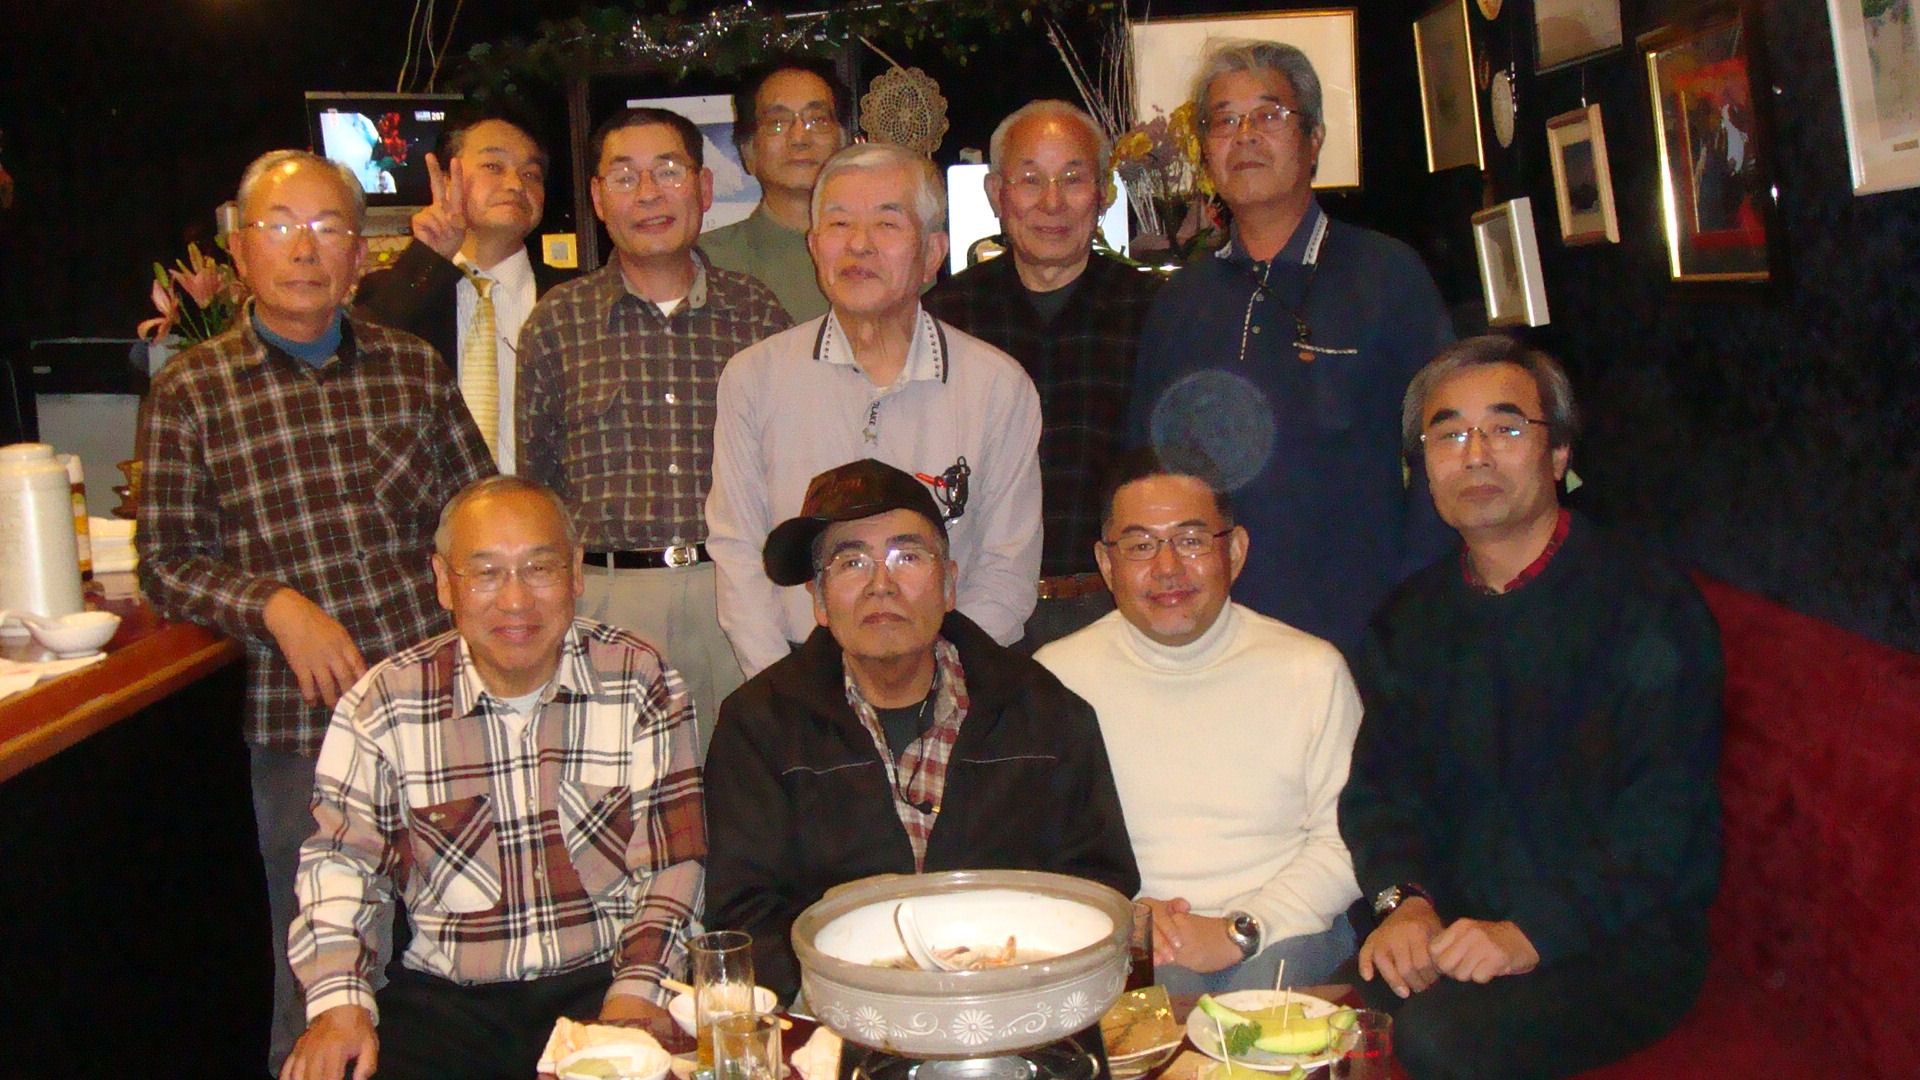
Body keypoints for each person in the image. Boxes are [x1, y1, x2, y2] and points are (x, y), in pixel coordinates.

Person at [136, 149, 495, 1073]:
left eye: (330, 228)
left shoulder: (411, 368)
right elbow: (166, 563)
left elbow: (479, 516)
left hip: (438, 709)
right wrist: (275, 605)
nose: (305, 249)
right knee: (323, 970)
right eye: (281, 226)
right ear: (241, 250)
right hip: (306, 728)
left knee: (461, 950)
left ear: (361, 255)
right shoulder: (192, 390)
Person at [1339, 336, 1723, 1079]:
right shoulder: (1407, 620)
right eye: (1449, 434)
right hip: (1457, 927)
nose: (1476, 455)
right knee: (1334, 1007)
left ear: (1558, 454)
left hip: (1617, 939)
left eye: (1506, 428)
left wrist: (1532, 932)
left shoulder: (1647, 605)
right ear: (1423, 466)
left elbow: (1663, 821)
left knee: (1439, 1038)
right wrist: (1405, 902)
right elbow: (1381, 793)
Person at [281, 476, 703, 1080]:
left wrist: (636, 996)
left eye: (540, 568)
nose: (515, 600)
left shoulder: (639, 677)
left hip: (605, 982)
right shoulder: (385, 701)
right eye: (485, 573)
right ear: (443, 581)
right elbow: (340, 865)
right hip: (448, 1003)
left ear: (576, 573)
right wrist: (340, 1004)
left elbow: (673, 864)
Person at [703, 458, 1138, 1001]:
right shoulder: (759, 725)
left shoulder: (1043, 712)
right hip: (835, 1015)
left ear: (949, 584)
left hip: (1013, 1004)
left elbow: (1101, 886)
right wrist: (849, 948)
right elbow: (741, 916)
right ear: (818, 599)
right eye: (851, 562)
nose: (881, 585)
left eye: (907, 557)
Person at [1129, 40, 1454, 658]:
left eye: (1269, 115)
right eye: (1224, 120)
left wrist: (1415, 603)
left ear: (1314, 140)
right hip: (1205, 630)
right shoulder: (1181, 299)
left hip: (1358, 627)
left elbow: (1444, 447)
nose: (1245, 135)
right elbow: (1146, 470)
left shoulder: (1386, 276)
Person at [708, 142, 1043, 678]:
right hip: (796, 673)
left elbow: (1007, 570)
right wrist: (782, 691)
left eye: (887, 224)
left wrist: (936, 684)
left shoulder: (996, 386)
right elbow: (739, 554)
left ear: (933, 252)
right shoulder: (754, 378)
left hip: (951, 675)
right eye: (839, 224)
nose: (858, 245)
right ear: (814, 246)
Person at [518, 107, 791, 754]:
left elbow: (788, 470)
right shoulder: (558, 323)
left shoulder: (757, 314)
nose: (647, 194)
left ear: (703, 187)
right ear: (597, 199)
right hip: (607, 601)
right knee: (613, 793)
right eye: (624, 177)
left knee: (743, 786)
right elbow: (539, 484)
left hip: (734, 595)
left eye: (668, 172)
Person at [1037, 448, 1359, 993]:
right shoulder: (1055, 678)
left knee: (1255, 1023)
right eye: (1140, 545)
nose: (1167, 568)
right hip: (1128, 934)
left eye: (1190, 540)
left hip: (1286, 931)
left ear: (1234, 550)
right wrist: (1124, 912)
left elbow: (1345, 839)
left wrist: (1241, 930)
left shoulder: (1311, 670)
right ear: (1106, 563)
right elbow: (1038, 844)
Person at [924, 101, 1162, 649]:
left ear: (1104, 193)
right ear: (996, 194)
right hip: (975, 610)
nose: (1052, 202)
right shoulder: (945, 318)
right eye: (1030, 180)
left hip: (1114, 608)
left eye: (1073, 179)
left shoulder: (1154, 312)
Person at [355, 104, 572, 471]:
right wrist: (428, 259)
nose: (516, 184)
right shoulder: (405, 290)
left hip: (548, 503)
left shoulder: (573, 298)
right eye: (493, 167)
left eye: (531, 174)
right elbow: (362, 361)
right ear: (444, 180)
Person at [698, 57, 851, 322]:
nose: (799, 138)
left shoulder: (886, 251)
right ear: (748, 152)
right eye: (777, 123)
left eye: (817, 120)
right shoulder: (707, 261)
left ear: (844, 143)